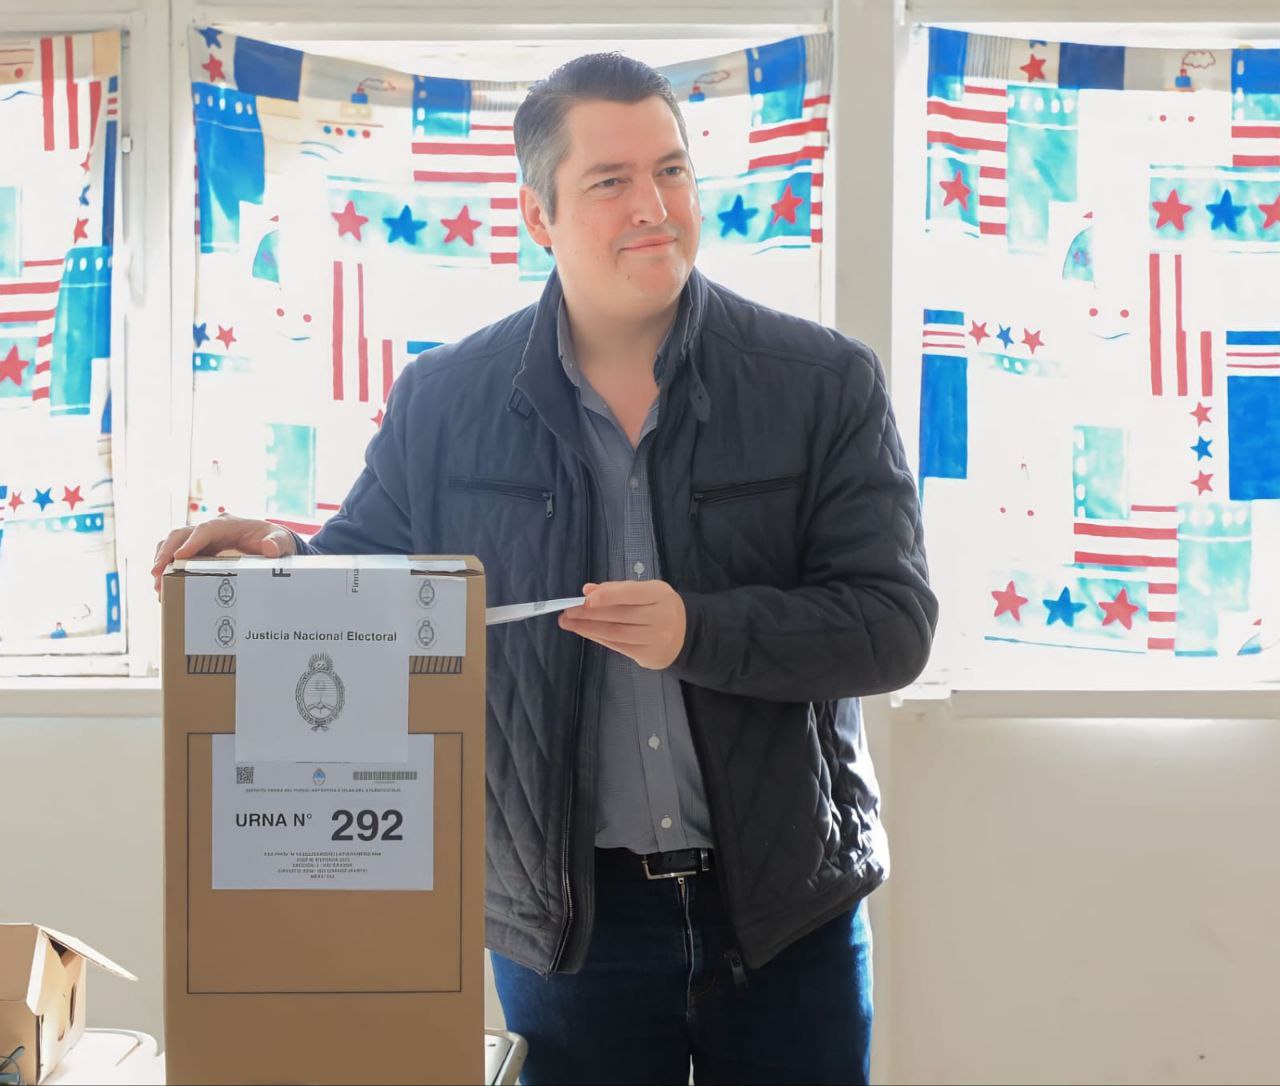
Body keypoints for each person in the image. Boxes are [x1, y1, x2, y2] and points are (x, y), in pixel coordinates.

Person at [153, 53, 937, 1085]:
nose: (653, 206)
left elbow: (891, 625)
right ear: (537, 214)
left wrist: (696, 631)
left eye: (670, 170)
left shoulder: (823, 382)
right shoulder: (443, 400)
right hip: (569, 934)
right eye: (610, 181)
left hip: (788, 915)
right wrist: (276, 560)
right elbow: (368, 590)